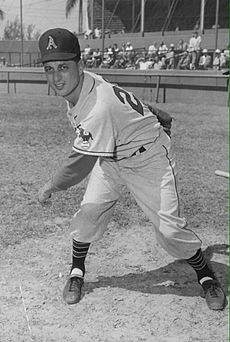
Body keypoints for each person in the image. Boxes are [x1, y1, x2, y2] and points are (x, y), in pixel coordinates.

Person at [38, 28, 227, 310]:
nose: (56, 77)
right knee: (89, 213)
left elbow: (79, 165)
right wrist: (152, 111)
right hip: (112, 158)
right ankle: (77, 272)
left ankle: (206, 276)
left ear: (81, 65)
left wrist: (50, 185)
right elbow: (121, 96)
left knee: (170, 230)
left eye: (63, 67)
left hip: (148, 159)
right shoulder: (86, 83)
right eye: (49, 68)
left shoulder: (95, 105)